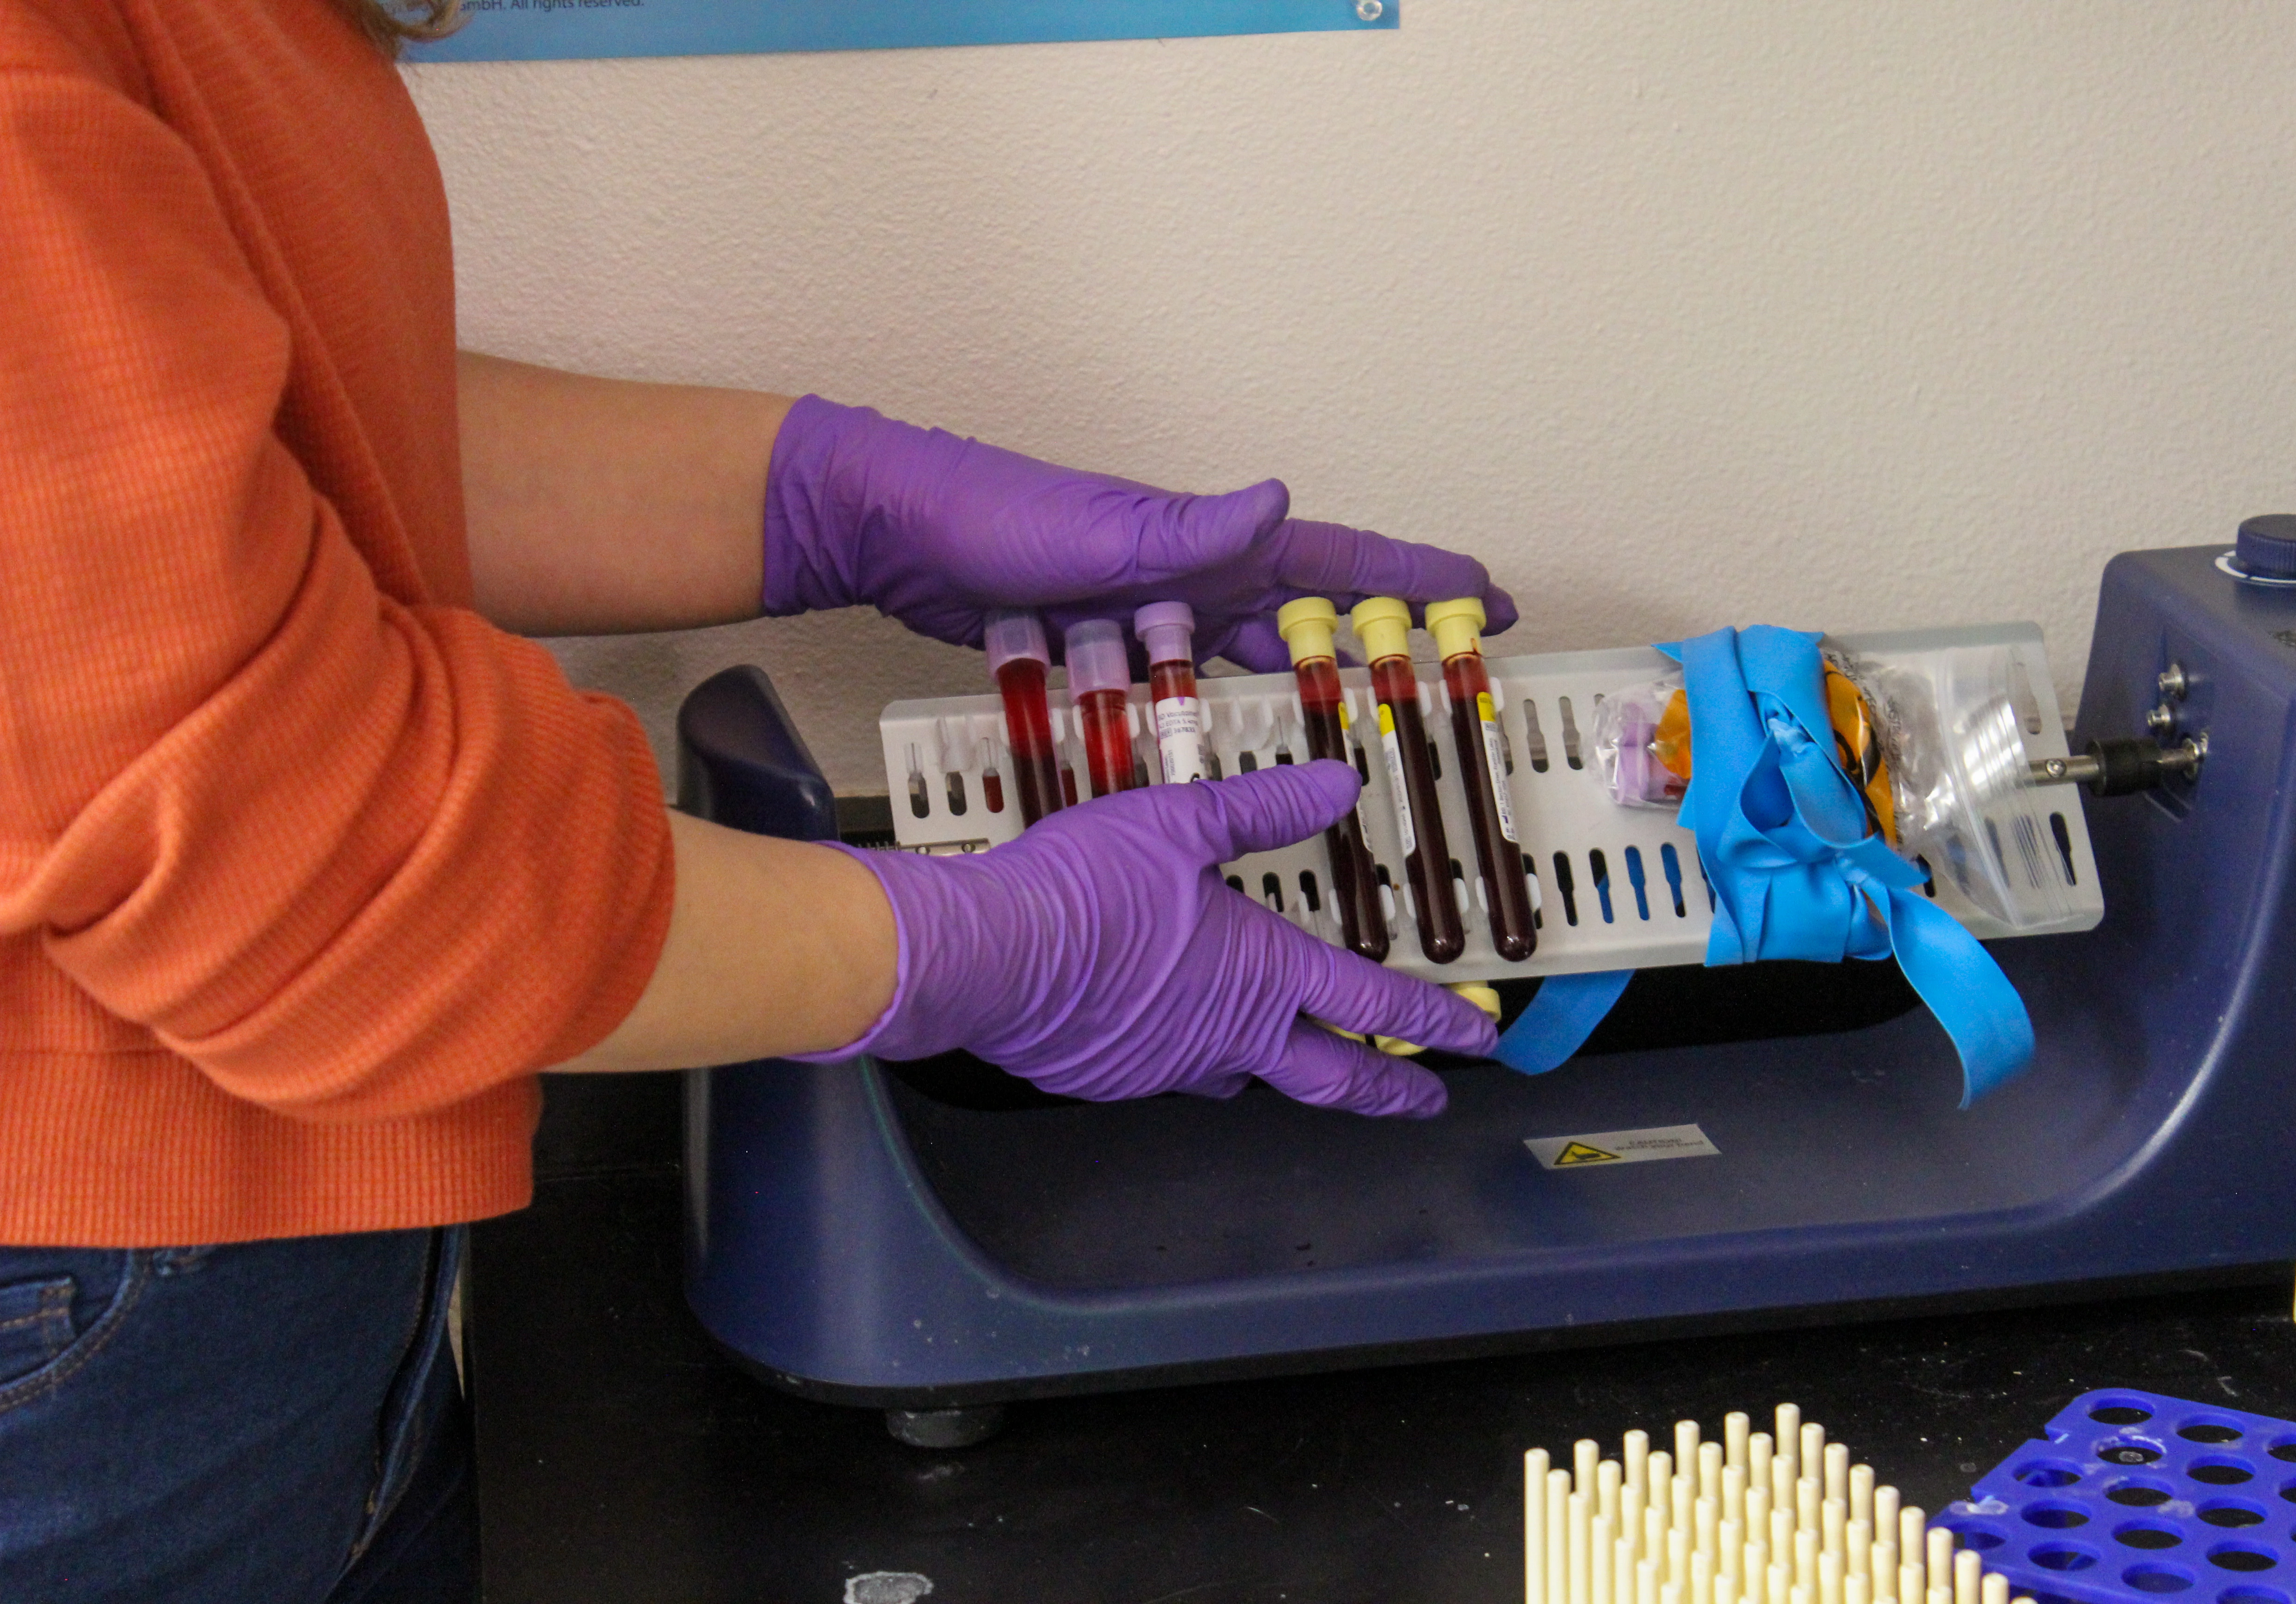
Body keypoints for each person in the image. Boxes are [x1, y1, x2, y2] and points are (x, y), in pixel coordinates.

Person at [0, 1, 1514, 1598]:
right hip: (89, 1356)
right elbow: (308, 861)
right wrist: (995, 946)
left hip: (282, 1281)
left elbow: (238, 435)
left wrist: (822, 500)